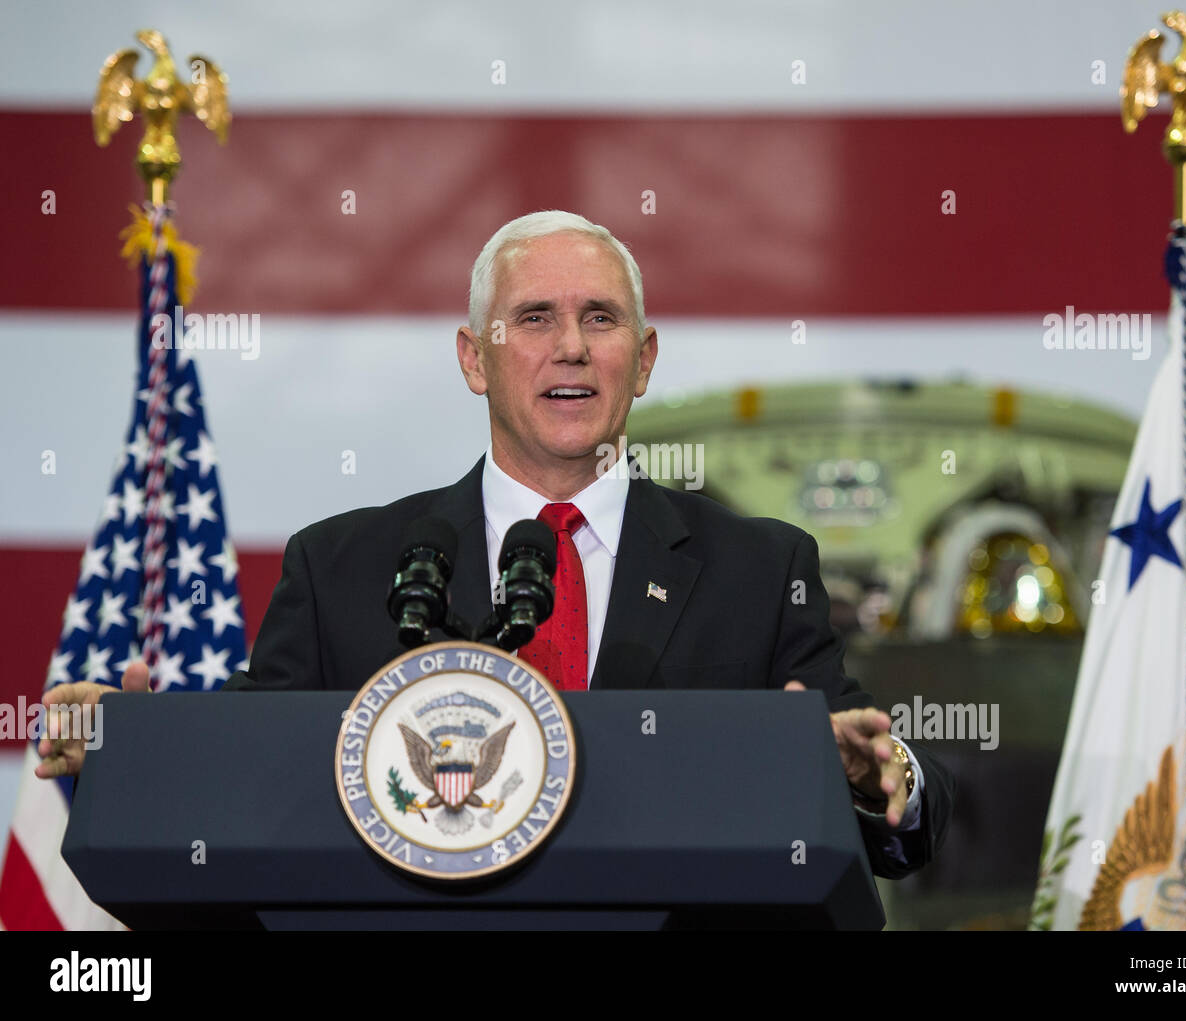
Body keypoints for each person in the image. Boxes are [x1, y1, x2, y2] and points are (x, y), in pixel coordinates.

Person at [39, 209, 952, 883]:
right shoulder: (343, 567)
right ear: (475, 357)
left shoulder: (760, 567)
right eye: (535, 320)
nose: (571, 349)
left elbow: (873, 774)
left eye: (601, 319)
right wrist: (134, 741)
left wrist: (880, 773)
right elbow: (252, 759)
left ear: (644, 357)